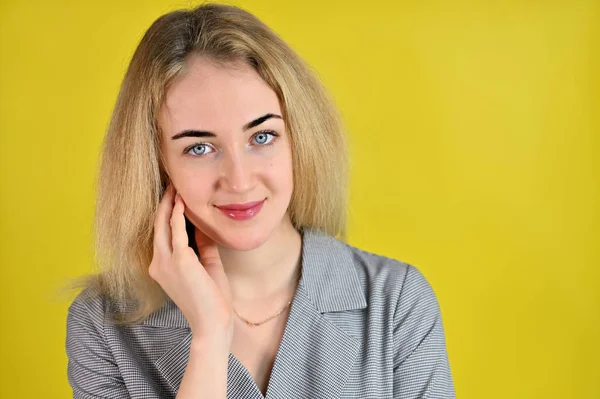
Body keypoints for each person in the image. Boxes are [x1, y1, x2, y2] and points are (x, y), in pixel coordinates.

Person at [66, 3, 455, 398]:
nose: (239, 180)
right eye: (199, 147)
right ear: (156, 162)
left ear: (298, 139)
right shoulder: (103, 323)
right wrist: (208, 340)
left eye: (262, 136)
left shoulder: (397, 303)